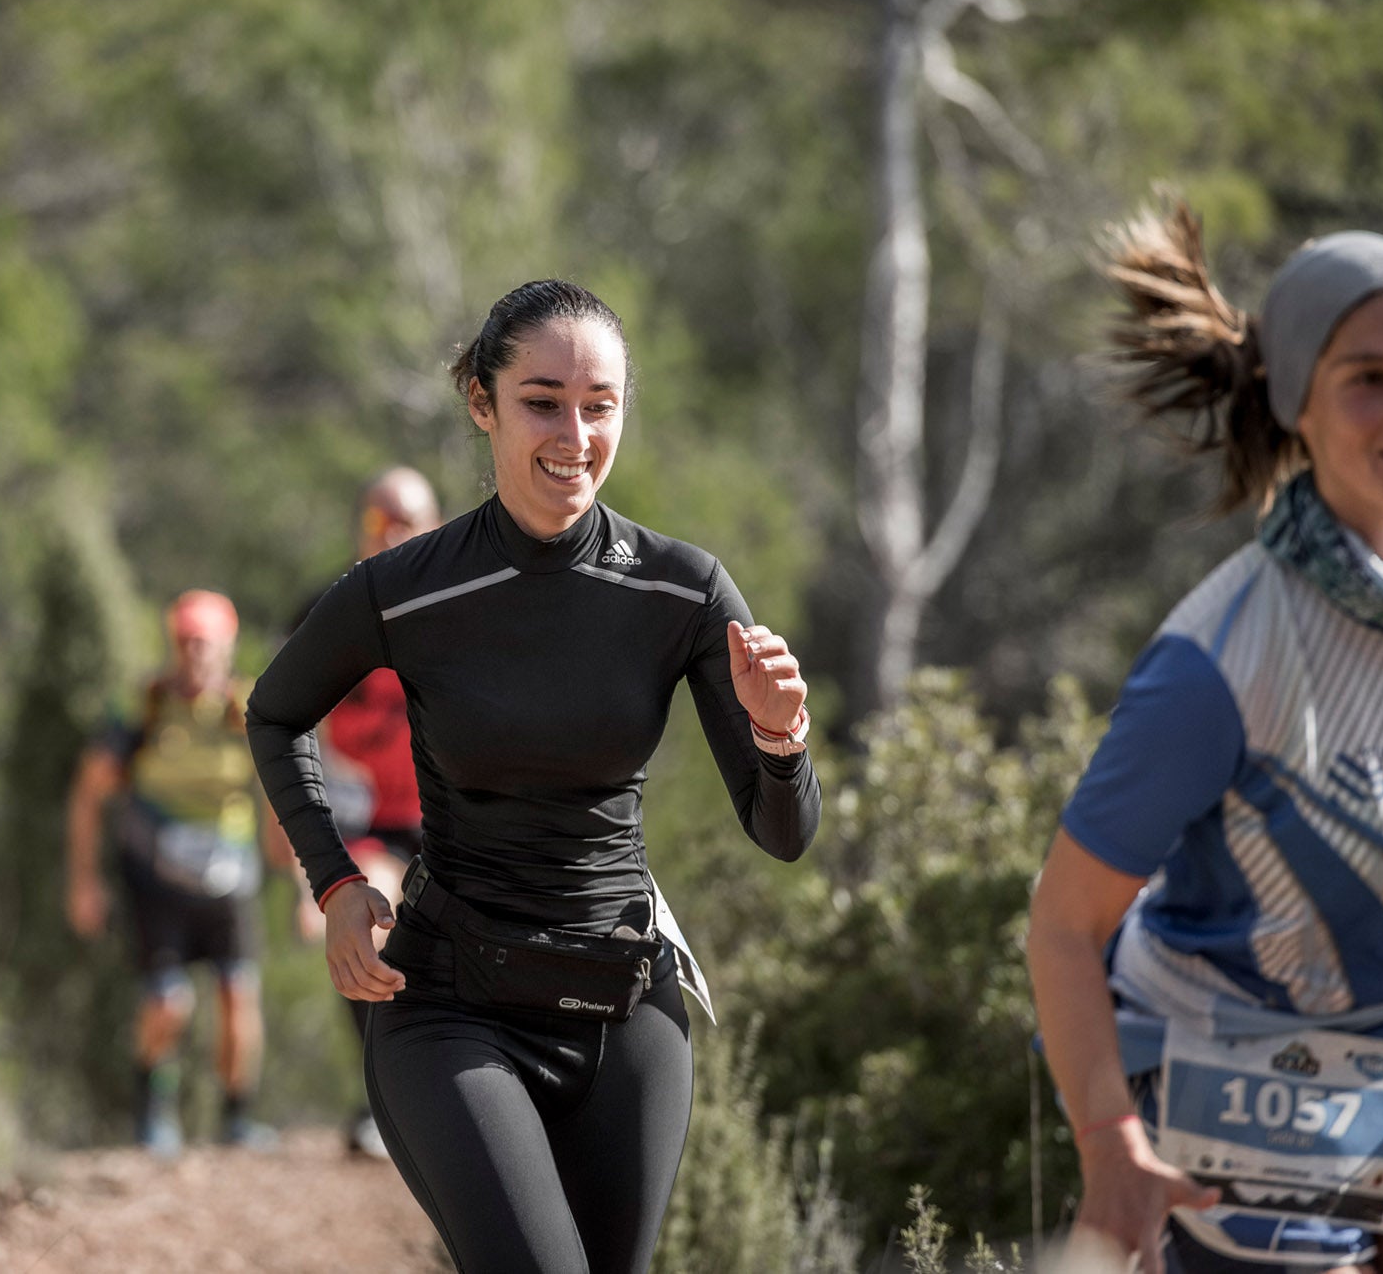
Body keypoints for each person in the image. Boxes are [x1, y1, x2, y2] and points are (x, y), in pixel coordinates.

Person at [248, 280, 821, 1273]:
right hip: (448, 1007)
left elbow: (782, 833)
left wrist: (780, 741)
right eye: (540, 401)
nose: (573, 435)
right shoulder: (410, 586)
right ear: (482, 403)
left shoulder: (678, 588)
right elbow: (273, 710)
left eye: (599, 406)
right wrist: (336, 884)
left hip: (626, 1009)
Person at [1026, 205, 1383, 1274]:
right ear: (1295, 402)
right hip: (1227, 1118)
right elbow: (1061, 925)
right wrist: (1110, 1149)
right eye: (1366, 376)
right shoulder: (1220, 658)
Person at [65, 589, 289, 1156]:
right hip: (156, 879)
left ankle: (238, 1119)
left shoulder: (249, 708)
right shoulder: (143, 706)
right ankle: (153, 1111)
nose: (195, 654)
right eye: (185, 642)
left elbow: (281, 788)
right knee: (168, 1000)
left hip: (229, 879)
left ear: (227, 646)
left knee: (239, 993)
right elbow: (89, 793)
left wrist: (300, 873)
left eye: (206, 643)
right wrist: (84, 881)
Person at [297, 466, 443, 1160]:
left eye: (407, 520)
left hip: (455, 819)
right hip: (368, 823)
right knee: (361, 921)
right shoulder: (324, 611)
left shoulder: (461, 607)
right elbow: (282, 727)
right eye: (379, 519)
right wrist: (301, 854)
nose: (391, 533)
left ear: (435, 528)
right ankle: (384, 1101)